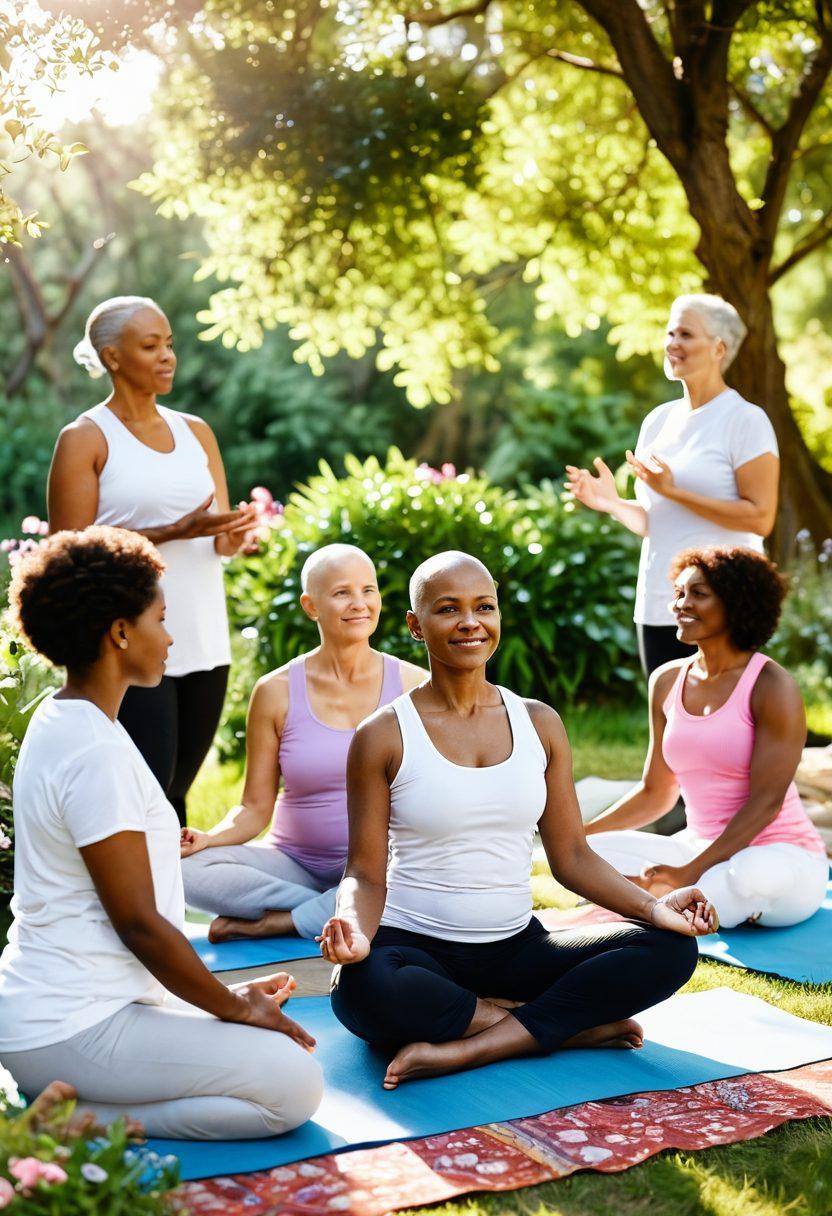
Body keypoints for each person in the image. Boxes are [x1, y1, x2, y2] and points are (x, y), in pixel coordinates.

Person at [319, 551, 715, 1090]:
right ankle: (560, 1028)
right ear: (415, 624)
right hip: (416, 947)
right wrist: (355, 932)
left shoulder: (539, 723)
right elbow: (365, 872)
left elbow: (571, 857)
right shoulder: (383, 734)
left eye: (484, 607)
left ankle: (474, 1044)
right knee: (362, 989)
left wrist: (653, 909)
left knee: (669, 949)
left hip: (518, 949)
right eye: (448, 609)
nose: (469, 623)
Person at [0, 527, 322, 1139]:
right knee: (293, 1085)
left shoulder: (66, 716)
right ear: (120, 632)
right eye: (160, 618)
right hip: (70, 1026)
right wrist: (231, 1006)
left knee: (277, 1057)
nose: (171, 636)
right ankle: (82, 1124)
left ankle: (69, 1104)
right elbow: (139, 923)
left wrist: (216, 1002)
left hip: (66, 1012)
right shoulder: (93, 750)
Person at [47, 295, 257, 825]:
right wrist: (171, 532)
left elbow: (216, 534)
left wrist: (236, 536)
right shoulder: (85, 439)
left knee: (178, 793)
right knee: (150, 792)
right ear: (113, 357)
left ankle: (165, 901)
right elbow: (69, 554)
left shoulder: (196, 432)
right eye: (150, 345)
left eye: (169, 344)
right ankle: (135, 906)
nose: (167, 356)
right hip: (129, 642)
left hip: (205, 635)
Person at [180, 543, 426, 942]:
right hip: (295, 865)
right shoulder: (275, 691)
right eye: (342, 592)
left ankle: (279, 921)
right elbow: (253, 807)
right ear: (311, 606)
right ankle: (336, 907)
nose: (359, 603)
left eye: (368, 590)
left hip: (385, 864)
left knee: (426, 880)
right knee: (183, 871)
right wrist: (210, 839)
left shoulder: (413, 686)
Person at [585, 546, 828, 928]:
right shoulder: (666, 681)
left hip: (778, 854)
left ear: (737, 603)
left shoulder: (771, 685)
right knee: (589, 854)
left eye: (698, 594)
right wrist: (576, 839)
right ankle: (683, 904)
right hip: (696, 848)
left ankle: (673, 901)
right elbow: (656, 792)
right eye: (679, 593)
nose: (681, 604)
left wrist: (687, 871)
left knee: (748, 875)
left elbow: (766, 803)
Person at [565, 294, 779, 676]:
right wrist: (611, 503)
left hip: (724, 605)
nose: (672, 343)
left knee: (723, 725)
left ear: (719, 348)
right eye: (669, 332)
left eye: (685, 333)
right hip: (661, 602)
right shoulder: (658, 421)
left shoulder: (746, 420)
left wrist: (674, 491)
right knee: (667, 722)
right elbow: (654, 521)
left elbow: (761, 518)